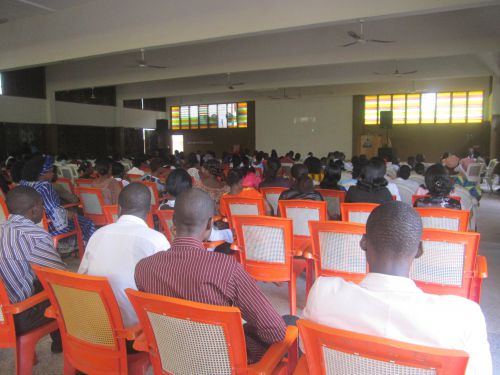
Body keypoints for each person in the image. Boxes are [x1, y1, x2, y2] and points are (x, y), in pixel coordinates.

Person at [303, 201, 491, 374]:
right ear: (419, 250)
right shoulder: (463, 317)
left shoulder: (324, 292)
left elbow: (306, 349)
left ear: (363, 242)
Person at [135, 188, 287, 363]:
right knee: (289, 322)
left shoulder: (143, 269)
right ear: (209, 225)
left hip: (174, 358)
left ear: (173, 223)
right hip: (222, 361)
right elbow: (275, 331)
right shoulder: (227, 269)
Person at [79, 183, 170, 328]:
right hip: (137, 330)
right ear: (148, 211)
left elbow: (82, 278)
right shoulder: (156, 240)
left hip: (99, 326)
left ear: (119, 208)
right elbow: (168, 289)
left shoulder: (98, 235)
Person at [0, 186, 66, 352]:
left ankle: (59, 343)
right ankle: (67, 347)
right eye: (42, 205)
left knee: (39, 283)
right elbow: (61, 276)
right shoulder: (33, 236)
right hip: (17, 316)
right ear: (35, 209)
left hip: (1, 313)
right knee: (68, 292)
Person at [20, 155, 95, 242]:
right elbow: (54, 211)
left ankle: (74, 244)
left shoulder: (24, 184)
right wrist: (70, 214)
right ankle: (85, 247)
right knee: (87, 222)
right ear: (43, 173)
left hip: (32, 226)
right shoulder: (44, 186)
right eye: (51, 171)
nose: (53, 174)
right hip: (50, 227)